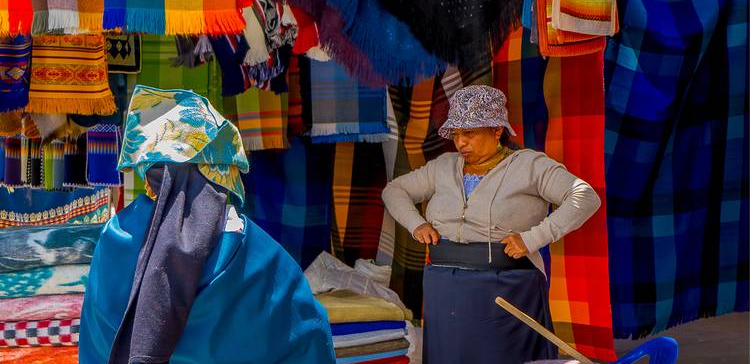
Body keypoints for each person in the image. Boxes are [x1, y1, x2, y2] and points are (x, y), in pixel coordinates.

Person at [79, 85, 335, 364]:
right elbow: (310, 340)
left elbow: (96, 346)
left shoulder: (117, 237)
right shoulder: (257, 251)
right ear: (220, 165)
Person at [381, 85, 601, 364]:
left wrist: (533, 238)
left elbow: (585, 196)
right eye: (456, 134)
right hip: (444, 288)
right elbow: (394, 191)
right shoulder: (443, 167)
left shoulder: (530, 165)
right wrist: (416, 224)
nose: (461, 143)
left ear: (497, 130)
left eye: (469, 133)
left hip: (506, 284)